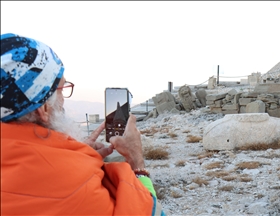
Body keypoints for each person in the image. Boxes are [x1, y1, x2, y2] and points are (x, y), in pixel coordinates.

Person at [1, 33, 166, 215]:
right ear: (43, 110)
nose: (63, 99)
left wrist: (76, 156)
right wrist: (137, 162)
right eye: (62, 89)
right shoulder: (73, 185)